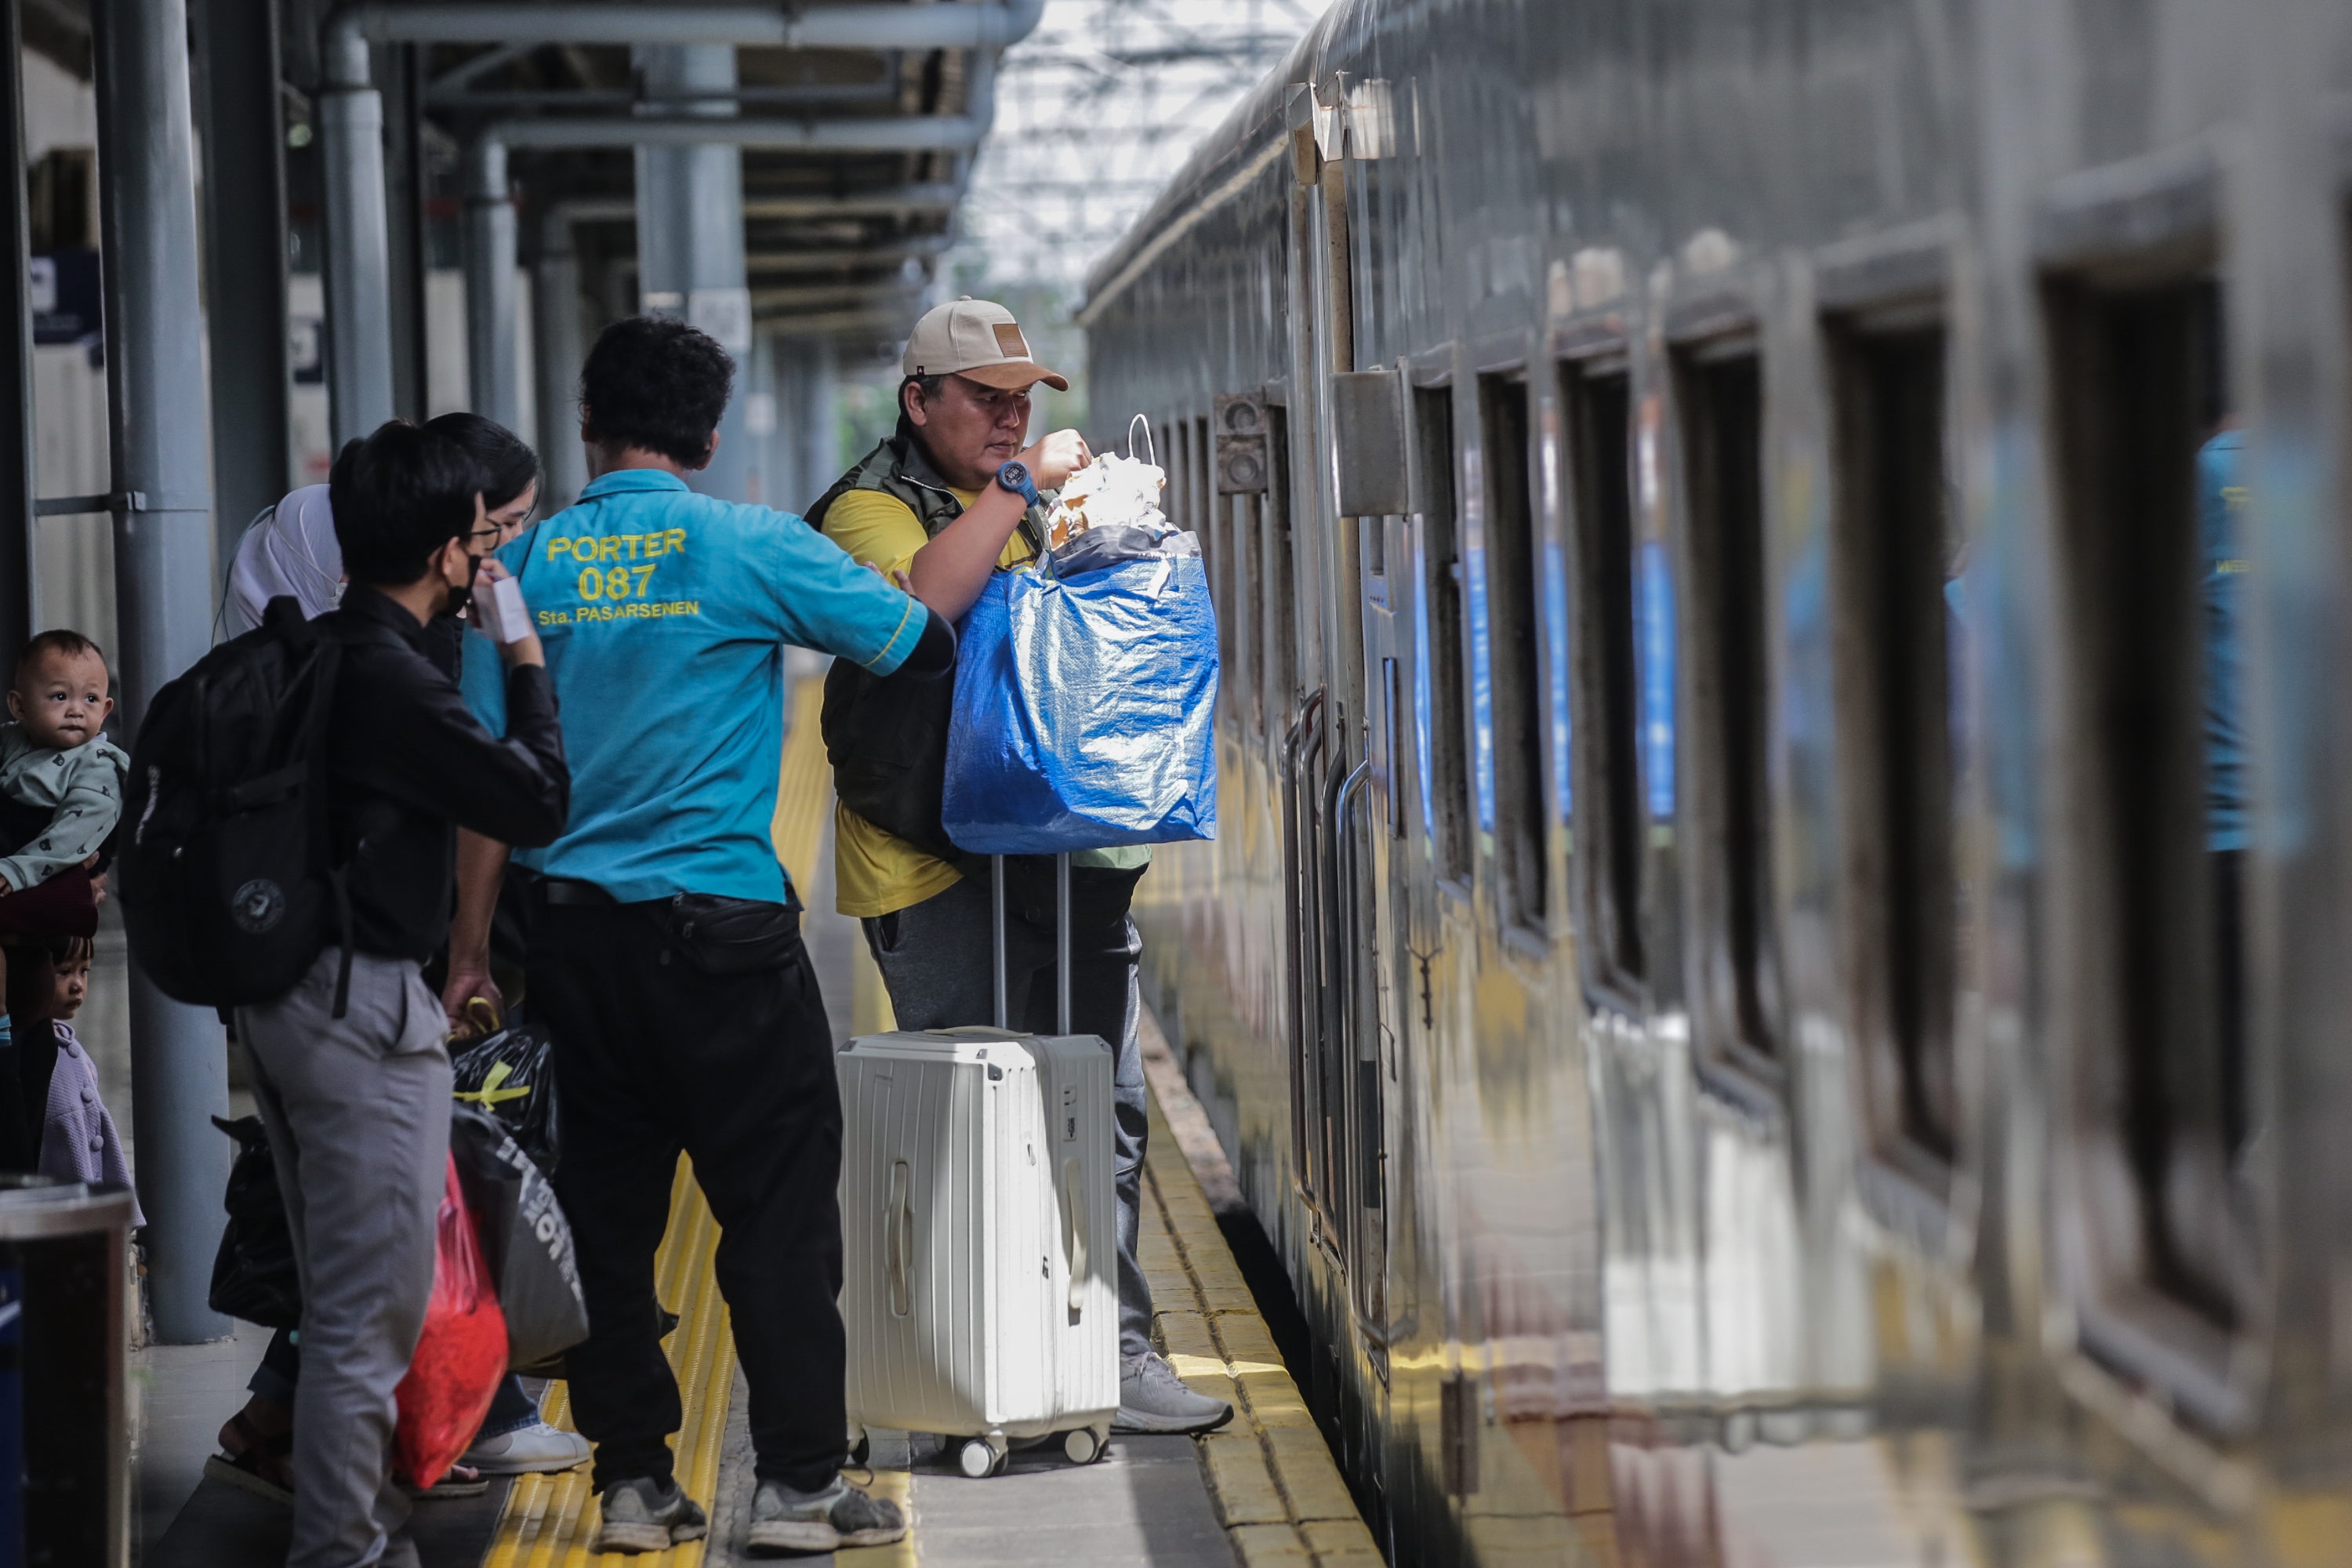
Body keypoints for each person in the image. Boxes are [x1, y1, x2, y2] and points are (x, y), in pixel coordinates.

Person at [448, 317, 949, 1555]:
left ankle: (632, 1486)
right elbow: (910, 641)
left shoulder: (523, 570)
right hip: (724, 940)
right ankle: (793, 1486)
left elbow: (486, 788)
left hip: (571, 947)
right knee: (777, 1215)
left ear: (586, 427)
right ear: (711, 433)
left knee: (607, 1223)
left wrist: (468, 955)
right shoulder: (747, 543)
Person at [810, 296, 1232, 1436]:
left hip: (1062, 854)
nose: (1008, 420)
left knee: (1106, 1105)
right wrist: (1021, 491)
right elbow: (922, 611)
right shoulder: (868, 510)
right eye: (985, 400)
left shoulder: (1035, 502)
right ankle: (968, 1367)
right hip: (932, 869)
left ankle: (1114, 1351)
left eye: (1021, 403)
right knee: (969, 1119)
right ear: (919, 402)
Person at [209, 414, 590, 1499]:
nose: (493, 558)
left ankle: (360, 1441)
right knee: (371, 1284)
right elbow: (530, 795)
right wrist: (522, 654)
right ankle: (352, 1522)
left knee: (360, 1254)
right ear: (440, 548)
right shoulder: (386, 673)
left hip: (288, 987)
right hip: (360, 995)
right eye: (484, 538)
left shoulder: (290, 660)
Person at [0, 629, 124, 1169]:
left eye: (90, 699)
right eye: (59, 697)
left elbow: (77, 837)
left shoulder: (98, 765)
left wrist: (16, 870)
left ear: (108, 708)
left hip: (30, 898)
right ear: (18, 706)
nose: (77, 711)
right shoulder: (11, 745)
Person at [30, 933, 140, 1222]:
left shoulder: (70, 1044)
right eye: (63, 972)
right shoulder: (29, 1055)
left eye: (84, 970)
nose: (78, 984)